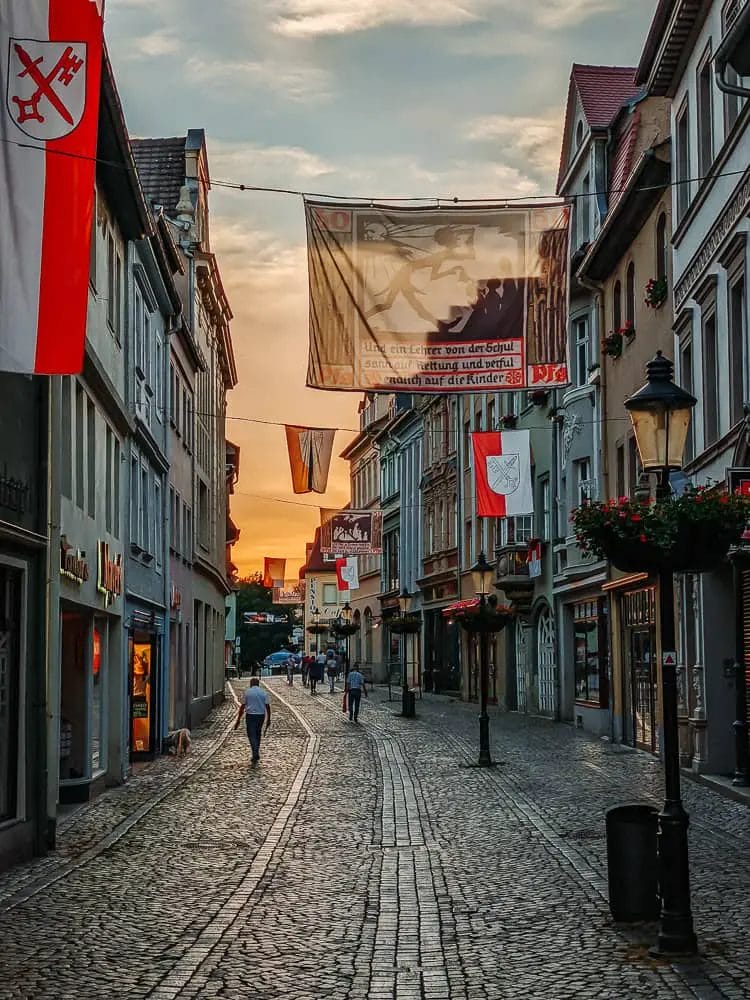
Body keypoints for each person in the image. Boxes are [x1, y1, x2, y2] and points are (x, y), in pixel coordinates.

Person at [234, 677, 271, 764]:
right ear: (258, 684)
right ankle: (256, 750)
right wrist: (269, 718)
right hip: (261, 716)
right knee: (258, 734)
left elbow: (242, 706)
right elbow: (267, 706)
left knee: (251, 735)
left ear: (251, 684)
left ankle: (255, 752)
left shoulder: (247, 692)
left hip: (250, 716)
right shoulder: (263, 692)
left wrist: (238, 719)